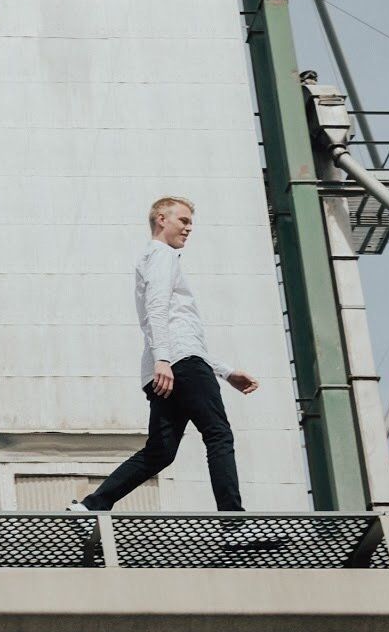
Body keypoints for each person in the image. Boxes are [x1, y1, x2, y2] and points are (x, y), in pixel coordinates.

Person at [73, 195, 281, 546]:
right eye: (183, 220)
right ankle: (234, 526)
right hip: (177, 363)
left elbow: (174, 326)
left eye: (190, 223)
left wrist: (225, 371)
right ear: (161, 219)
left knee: (160, 452)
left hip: (173, 363)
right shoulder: (162, 256)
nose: (189, 228)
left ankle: (91, 506)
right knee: (218, 434)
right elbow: (158, 310)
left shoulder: (153, 259)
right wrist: (164, 360)